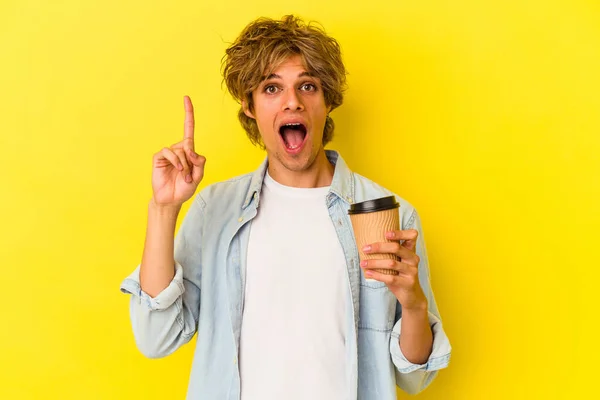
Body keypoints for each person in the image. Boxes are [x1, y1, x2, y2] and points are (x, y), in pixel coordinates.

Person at [120, 15, 451, 400]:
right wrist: (164, 209)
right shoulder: (216, 209)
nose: (292, 101)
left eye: (307, 86)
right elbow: (155, 338)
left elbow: (413, 377)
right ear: (249, 106)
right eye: (272, 88)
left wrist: (413, 305)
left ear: (328, 100)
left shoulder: (388, 214)